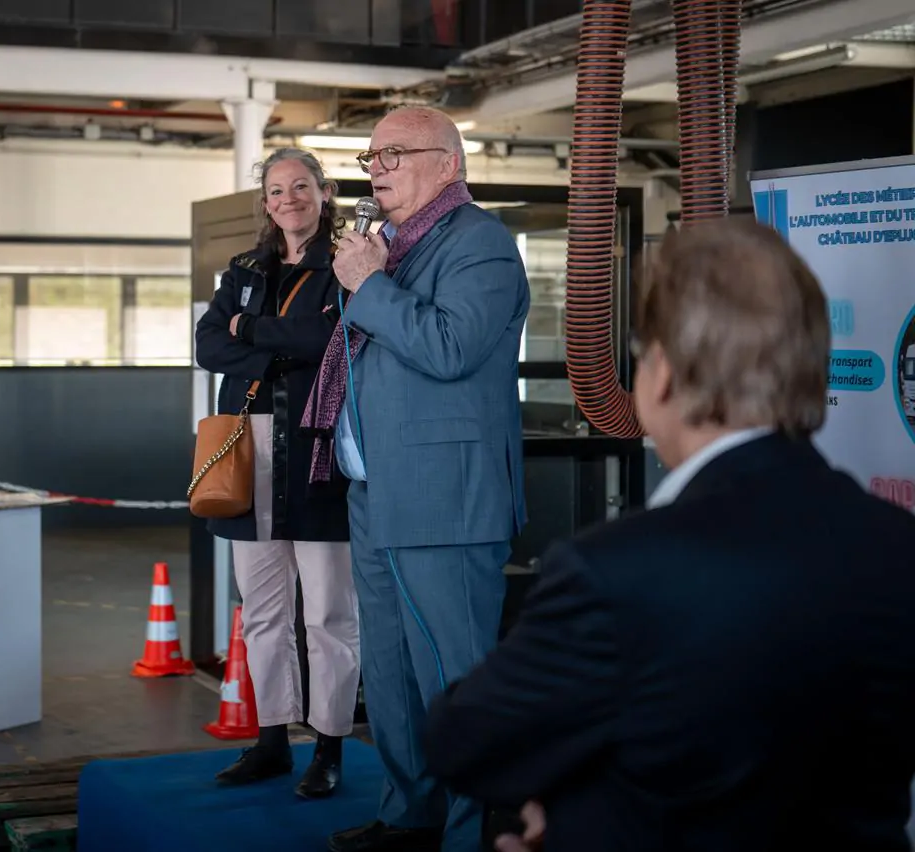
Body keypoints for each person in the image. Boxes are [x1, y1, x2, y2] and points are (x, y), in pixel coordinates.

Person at [423, 217, 915, 852]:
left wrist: (575, 811)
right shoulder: (896, 544)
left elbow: (465, 741)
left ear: (663, 373)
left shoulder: (614, 570)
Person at [301, 105, 530, 852]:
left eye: (395, 154)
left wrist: (369, 285)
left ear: (449, 164)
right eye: (372, 156)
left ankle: (474, 833)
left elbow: (451, 347)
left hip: (445, 498)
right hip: (375, 490)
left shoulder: (480, 244)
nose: (377, 168)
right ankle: (410, 815)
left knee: (454, 680)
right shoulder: (391, 247)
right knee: (392, 671)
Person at [194, 147, 360, 800]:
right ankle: (270, 742)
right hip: (248, 452)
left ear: (324, 192)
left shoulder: (346, 263)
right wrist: (279, 347)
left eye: (300, 186)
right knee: (261, 612)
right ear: (265, 202)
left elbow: (332, 340)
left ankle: (329, 746)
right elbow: (209, 344)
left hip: (317, 452)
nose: (288, 198)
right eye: (276, 189)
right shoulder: (243, 270)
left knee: (328, 615)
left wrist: (252, 331)